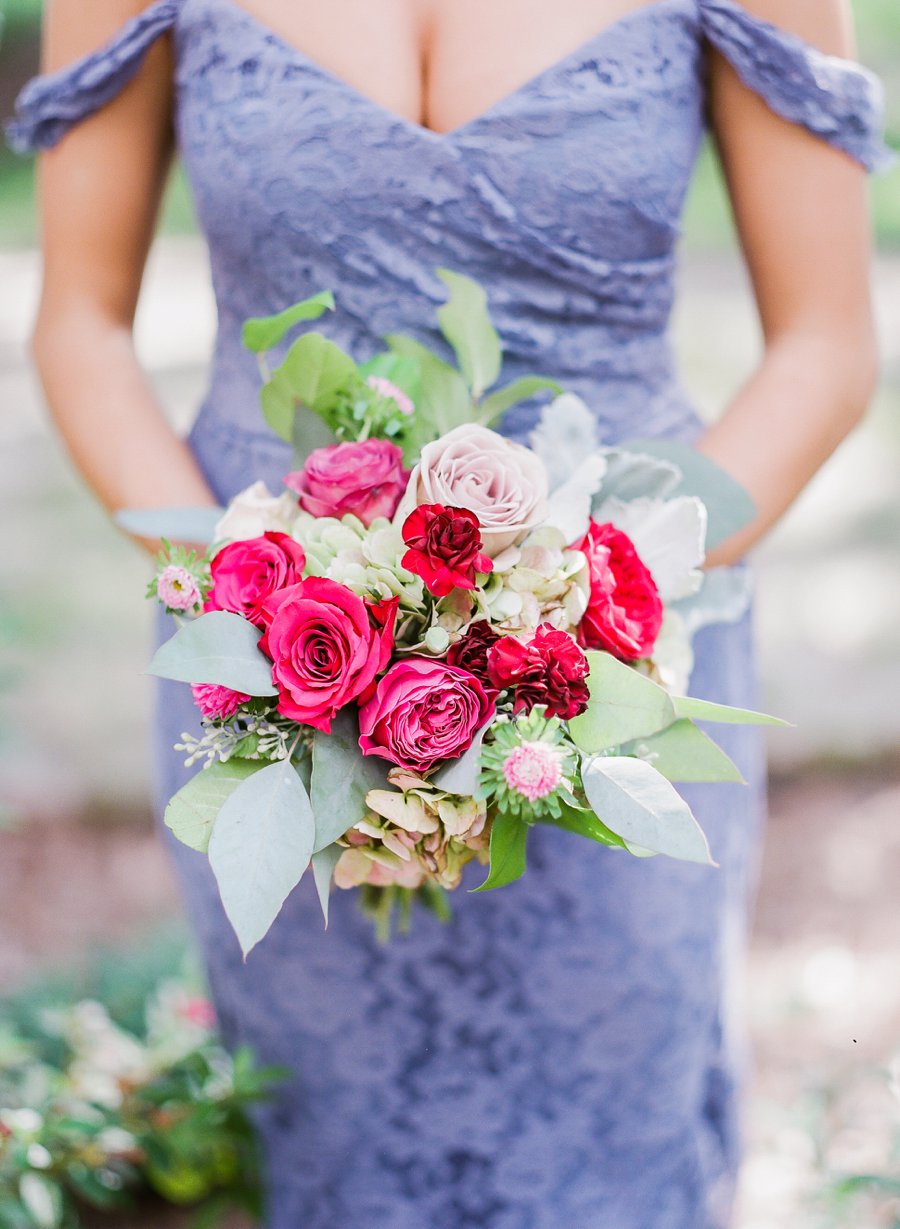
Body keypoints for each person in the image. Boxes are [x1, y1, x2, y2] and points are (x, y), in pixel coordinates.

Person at [6, 2, 890, 1226]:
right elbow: (80, 329)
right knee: (322, 1132)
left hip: (625, 664)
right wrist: (253, 599)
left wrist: (576, 614)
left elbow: (827, 346)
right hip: (278, 675)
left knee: (616, 1143)